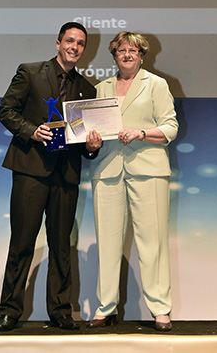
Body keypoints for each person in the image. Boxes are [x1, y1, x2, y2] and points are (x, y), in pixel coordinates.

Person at [0, 22, 101, 332]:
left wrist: (92, 148)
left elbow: (83, 140)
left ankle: (60, 311)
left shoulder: (87, 90)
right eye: (70, 41)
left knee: (61, 246)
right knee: (22, 242)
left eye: (80, 43)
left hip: (65, 175)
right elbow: (6, 110)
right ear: (58, 43)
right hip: (31, 169)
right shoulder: (30, 72)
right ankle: (9, 311)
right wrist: (31, 131)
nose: (75, 47)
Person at [86, 32, 178, 331]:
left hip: (148, 170)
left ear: (142, 55)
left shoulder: (157, 84)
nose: (127, 55)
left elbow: (170, 127)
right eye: (121, 50)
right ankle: (105, 307)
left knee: (153, 243)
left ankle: (160, 309)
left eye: (133, 50)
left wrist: (141, 133)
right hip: (107, 171)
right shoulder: (101, 89)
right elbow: (92, 132)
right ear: (114, 56)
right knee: (107, 243)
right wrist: (90, 143)